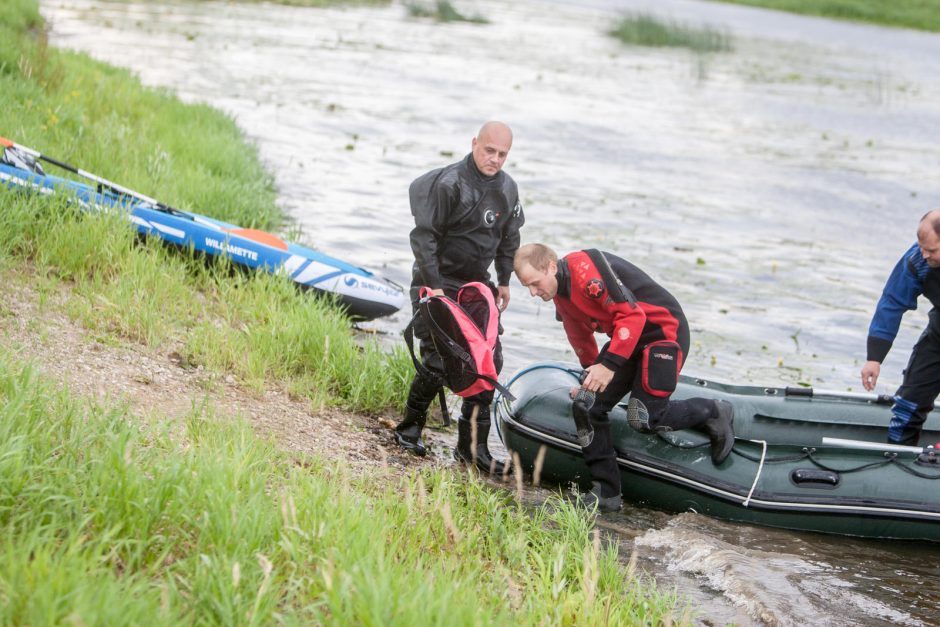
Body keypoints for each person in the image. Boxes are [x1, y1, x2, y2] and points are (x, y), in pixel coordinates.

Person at [513, 243, 734, 512]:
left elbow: (633, 317)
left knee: (642, 418)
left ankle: (712, 410)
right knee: (586, 402)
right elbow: (578, 335)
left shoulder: (586, 274)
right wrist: (590, 374)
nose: (534, 293)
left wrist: (608, 366)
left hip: (662, 334)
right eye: (527, 287)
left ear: (550, 266)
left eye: (535, 284)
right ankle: (606, 492)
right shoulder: (559, 292)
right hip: (627, 339)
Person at [394, 121, 524, 473]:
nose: (495, 159)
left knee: (488, 363)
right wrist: (433, 285)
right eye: (489, 151)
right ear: (474, 144)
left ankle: (471, 449)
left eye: (502, 154)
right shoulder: (450, 184)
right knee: (438, 359)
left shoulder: (508, 189)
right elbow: (423, 238)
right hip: (434, 281)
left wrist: (504, 280)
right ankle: (408, 431)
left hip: (475, 285)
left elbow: (510, 238)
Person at [861, 210, 940, 446]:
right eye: (921, 247)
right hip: (938, 337)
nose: (924, 254)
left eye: (932, 250)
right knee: (907, 407)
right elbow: (892, 302)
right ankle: (897, 460)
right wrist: (874, 358)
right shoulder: (918, 260)